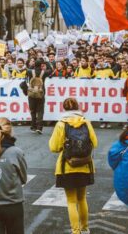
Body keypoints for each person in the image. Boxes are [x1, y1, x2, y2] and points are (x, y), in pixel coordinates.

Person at [49, 98, 98, 234]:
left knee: (71, 201)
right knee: (82, 198)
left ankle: (75, 231)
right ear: (78, 107)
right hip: (85, 165)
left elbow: (54, 147)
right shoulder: (86, 122)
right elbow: (95, 142)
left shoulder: (61, 124)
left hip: (67, 167)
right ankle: (85, 228)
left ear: (64, 108)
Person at [27, 59, 51, 134]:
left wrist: (32, 65)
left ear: (34, 65)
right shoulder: (44, 72)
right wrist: (46, 62)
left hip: (31, 93)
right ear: (41, 65)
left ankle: (33, 126)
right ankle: (39, 127)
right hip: (40, 93)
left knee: (33, 110)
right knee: (40, 110)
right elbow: (51, 69)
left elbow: (27, 69)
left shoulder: (30, 71)